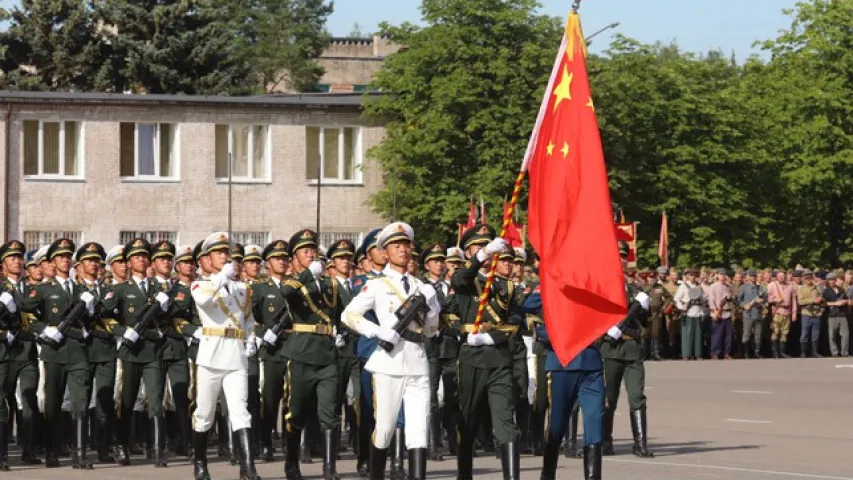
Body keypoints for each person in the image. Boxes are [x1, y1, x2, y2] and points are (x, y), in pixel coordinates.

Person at [343, 222, 440, 480]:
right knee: (385, 428)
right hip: (388, 363)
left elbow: (430, 331)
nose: (403, 250)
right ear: (385, 252)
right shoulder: (375, 285)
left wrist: (433, 310)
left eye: (406, 245)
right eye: (396, 246)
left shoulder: (422, 287)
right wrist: (376, 331)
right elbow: (348, 315)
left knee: (418, 430)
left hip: (417, 362)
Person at [451, 224, 521, 480]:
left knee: (505, 422)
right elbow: (460, 281)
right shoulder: (464, 279)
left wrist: (490, 337)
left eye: (487, 247)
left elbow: (514, 322)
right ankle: (464, 474)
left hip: (499, 358)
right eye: (477, 248)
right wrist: (480, 258)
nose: (483, 251)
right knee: (468, 420)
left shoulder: (506, 286)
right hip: (470, 359)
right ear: (468, 252)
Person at [189, 232, 261, 480]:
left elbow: (249, 318)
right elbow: (204, 299)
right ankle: (200, 465)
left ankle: (248, 467)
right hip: (211, 355)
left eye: (225, 252)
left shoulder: (242, 288)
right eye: (218, 253)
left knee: (241, 410)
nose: (224, 256)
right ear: (207, 258)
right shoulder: (200, 284)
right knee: (204, 413)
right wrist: (221, 277)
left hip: (236, 355)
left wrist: (251, 338)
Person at [22, 238, 97, 469]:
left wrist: (91, 308)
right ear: (53, 262)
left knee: (80, 402)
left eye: (68, 256)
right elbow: (26, 313)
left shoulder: (82, 290)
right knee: (53, 403)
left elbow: (94, 320)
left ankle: (79, 453)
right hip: (54, 353)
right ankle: (52, 451)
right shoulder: (43, 289)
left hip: (78, 354)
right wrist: (44, 329)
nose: (65, 259)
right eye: (60, 256)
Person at [277, 229, 343, 480]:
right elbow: (287, 294)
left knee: (329, 413)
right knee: (296, 412)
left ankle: (329, 468)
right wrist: (308, 274)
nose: (311, 254)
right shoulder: (292, 280)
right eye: (305, 251)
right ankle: (291, 464)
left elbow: (345, 312)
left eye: (313, 250)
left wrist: (343, 332)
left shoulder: (331, 284)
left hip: (327, 355)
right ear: (294, 258)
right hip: (301, 353)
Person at [100, 238, 170, 467]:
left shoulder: (160, 289)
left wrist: (163, 321)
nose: (141, 259)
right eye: (136, 256)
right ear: (129, 261)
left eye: (144, 256)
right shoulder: (119, 289)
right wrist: (123, 331)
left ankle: (158, 449)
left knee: (155, 399)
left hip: (153, 351)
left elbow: (170, 318)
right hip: (130, 352)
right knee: (126, 401)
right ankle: (122, 445)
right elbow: (105, 315)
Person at [522, 288, 603, 480]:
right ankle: (547, 475)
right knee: (557, 425)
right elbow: (526, 310)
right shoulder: (550, 289)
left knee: (594, 422)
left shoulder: (590, 286)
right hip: (563, 363)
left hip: (591, 362)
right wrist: (547, 287)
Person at [601, 241, 653, 459]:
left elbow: (644, 321)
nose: (622, 259)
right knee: (608, 398)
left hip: (631, 347)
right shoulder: (602, 286)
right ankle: (605, 441)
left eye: (624, 256)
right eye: (618, 256)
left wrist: (644, 307)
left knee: (637, 397)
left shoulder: (634, 289)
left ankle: (640, 444)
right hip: (610, 348)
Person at [1, 240, 41, 465]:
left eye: (19, 257)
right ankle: (3, 452)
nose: (17, 261)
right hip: (6, 351)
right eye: (11, 257)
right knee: (4, 402)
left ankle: (29, 449)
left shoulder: (34, 288)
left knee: (29, 400)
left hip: (27, 352)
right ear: (3, 263)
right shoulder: (1, 288)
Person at [674, 268, 705, 360]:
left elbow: (703, 299)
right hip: (688, 312)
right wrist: (681, 307)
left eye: (694, 275)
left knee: (698, 335)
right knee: (687, 334)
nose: (693, 277)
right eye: (691, 275)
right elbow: (677, 299)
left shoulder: (699, 286)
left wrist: (702, 302)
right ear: (687, 276)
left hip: (698, 311)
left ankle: (697, 354)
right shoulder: (683, 286)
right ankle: (687, 354)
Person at [737, 270, 766, 359]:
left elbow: (765, 299)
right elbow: (738, 300)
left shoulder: (760, 288)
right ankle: (746, 353)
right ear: (748, 277)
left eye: (754, 276)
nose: (753, 278)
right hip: (748, 314)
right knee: (747, 334)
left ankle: (757, 353)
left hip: (758, 313)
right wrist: (744, 306)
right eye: (752, 276)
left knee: (758, 334)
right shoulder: (743, 287)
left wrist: (761, 301)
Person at [796, 270, 824, 358]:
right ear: (804, 279)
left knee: (815, 334)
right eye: (807, 278)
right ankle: (803, 352)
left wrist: (821, 310)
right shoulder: (801, 289)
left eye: (810, 278)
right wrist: (812, 301)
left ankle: (814, 352)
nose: (808, 280)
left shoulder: (817, 288)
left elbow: (822, 298)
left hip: (816, 313)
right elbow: (800, 301)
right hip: (806, 313)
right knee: (804, 334)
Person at [824, 272, 849, 357]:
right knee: (832, 335)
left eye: (833, 280)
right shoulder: (826, 291)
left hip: (842, 314)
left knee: (845, 334)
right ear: (828, 281)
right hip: (832, 315)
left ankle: (844, 352)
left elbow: (846, 299)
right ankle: (834, 352)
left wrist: (844, 301)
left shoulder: (841, 289)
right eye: (830, 280)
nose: (832, 281)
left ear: (835, 280)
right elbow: (824, 303)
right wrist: (835, 303)